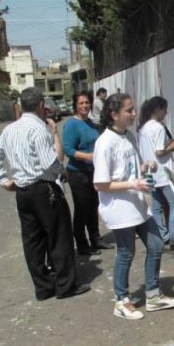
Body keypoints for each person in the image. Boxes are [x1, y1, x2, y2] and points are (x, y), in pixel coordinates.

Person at [0, 87, 89, 300]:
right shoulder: (38, 129)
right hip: (44, 189)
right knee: (59, 236)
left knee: (32, 241)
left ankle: (43, 287)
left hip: (23, 191)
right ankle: (65, 285)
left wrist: (5, 181)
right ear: (41, 105)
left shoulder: (10, 130)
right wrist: (63, 173)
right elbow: (49, 165)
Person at [93, 93, 174, 320]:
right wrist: (133, 183)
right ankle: (121, 300)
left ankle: (152, 295)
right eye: (128, 110)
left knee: (155, 244)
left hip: (138, 205)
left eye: (133, 109)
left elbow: (128, 169)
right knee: (126, 253)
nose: (134, 114)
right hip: (119, 209)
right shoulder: (105, 143)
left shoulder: (129, 136)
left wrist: (144, 167)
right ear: (114, 114)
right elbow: (100, 183)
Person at [62, 91, 112, 255]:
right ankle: (82, 245)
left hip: (93, 172)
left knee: (93, 206)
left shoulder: (91, 123)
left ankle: (95, 239)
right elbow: (68, 150)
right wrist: (89, 156)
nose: (84, 106)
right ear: (75, 105)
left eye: (87, 102)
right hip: (78, 173)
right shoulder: (71, 124)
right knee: (82, 209)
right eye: (81, 103)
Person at [138, 96, 174, 250]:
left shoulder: (143, 128)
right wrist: (173, 146)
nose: (166, 112)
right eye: (165, 109)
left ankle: (162, 235)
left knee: (157, 206)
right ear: (158, 109)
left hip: (151, 174)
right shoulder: (157, 127)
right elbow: (159, 151)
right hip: (162, 173)